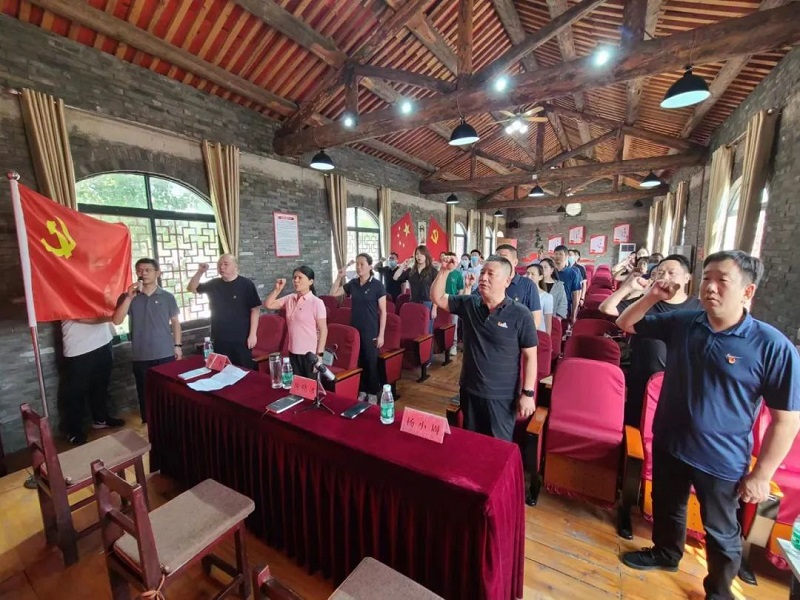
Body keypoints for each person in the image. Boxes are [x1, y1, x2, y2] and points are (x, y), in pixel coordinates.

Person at [617, 251, 800, 599]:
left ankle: (718, 590)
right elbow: (626, 323)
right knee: (667, 507)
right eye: (706, 278)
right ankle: (666, 554)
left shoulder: (772, 346)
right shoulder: (684, 322)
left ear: (747, 291)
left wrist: (762, 474)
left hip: (721, 458)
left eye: (722, 281)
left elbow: (787, 420)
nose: (710, 287)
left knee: (721, 531)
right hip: (670, 441)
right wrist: (652, 296)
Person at [431, 255, 538, 442]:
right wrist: (444, 271)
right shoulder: (470, 304)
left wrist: (528, 393)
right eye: (482, 273)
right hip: (470, 389)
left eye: (490, 274)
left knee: (498, 446)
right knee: (471, 442)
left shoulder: (521, 314)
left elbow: (531, 357)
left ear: (507, 281)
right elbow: (437, 297)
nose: (483, 278)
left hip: (501, 395)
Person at [599, 254, 700, 425]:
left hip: (679, 386)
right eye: (660, 272)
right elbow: (607, 308)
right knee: (634, 427)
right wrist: (628, 286)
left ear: (687, 278)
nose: (664, 277)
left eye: (671, 273)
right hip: (641, 379)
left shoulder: (699, 309)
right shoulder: (645, 303)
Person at [112, 258, 181, 423]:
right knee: (145, 392)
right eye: (139, 270)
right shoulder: (128, 296)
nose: (143, 273)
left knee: (169, 391)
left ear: (158, 273)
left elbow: (176, 323)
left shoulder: (167, 297)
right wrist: (129, 298)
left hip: (165, 353)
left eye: (147, 270)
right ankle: (149, 423)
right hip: (141, 355)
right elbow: (116, 320)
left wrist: (177, 345)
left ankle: (172, 421)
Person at [330, 253, 387, 404]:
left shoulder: (377, 285)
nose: (358, 267)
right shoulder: (353, 283)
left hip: (370, 329)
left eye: (362, 264)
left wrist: (381, 335)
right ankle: (362, 389)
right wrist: (339, 277)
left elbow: (383, 312)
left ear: (370, 266)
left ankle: (373, 391)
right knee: (358, 360)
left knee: (370, 361)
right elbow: (333, 293)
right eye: (357, 264)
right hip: (355, 329)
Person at [187, 254, 261, 369]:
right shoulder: (213, 284)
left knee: (243, 370)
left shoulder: (246, 284)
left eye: (226, 264)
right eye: (219, 265)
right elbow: (191, 288)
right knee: (221, 370)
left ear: (235, 266)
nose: (222, 267)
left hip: (241, 338)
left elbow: (255, 310)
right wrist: (200, 272)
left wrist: (253, 335)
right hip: (219, 338)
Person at [59, 319, 125, 445]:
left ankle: (101, 419)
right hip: (78, 347)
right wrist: (111, 316)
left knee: (101, 386)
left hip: (103, 340)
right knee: (76, 392)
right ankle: (73, 430)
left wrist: (112, 316)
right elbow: (81, 316)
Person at [263, 266, 328, 379]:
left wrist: (320, 355)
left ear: (310, 281)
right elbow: (268, 304)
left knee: (310, 386)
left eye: (300, 278)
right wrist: (277, 290)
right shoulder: (290, 298)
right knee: (296, 385)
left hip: (310, 354)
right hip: (293, 351)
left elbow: (323, 330)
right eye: (294, 278)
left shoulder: (317, 302)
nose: (296, 280)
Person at [494, 244, 542, 329]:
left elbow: (536, 320)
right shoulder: (490, 281)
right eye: (496, 257)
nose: (499, 261)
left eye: (503, 257)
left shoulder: (528, 285)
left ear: (515, 262)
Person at [394, 245, 438, 331]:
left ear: (426, 255)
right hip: (413, 302)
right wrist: (403, 265)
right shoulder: (411, 271)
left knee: (427, 330)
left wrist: (435, 307)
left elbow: (436, 290)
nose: (419, 256)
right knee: (415, 329)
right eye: (417, 254)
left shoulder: (433, 271)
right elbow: (395, 278)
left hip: (427, 303)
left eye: (421, 254)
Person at [552, 246, 582, 323]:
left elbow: (576, 296)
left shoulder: (572, 273)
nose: (557, 256)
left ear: (566, 256)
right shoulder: (549, 272)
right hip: (549, 307)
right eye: (556, 254)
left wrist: (573, 315)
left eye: (560, 254)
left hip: (565, 308)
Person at [443, 251, 465, 356]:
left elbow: (461, 289)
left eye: (453, 259)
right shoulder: (441, 272)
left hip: (452, 301)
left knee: (453, 324)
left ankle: (453, 345)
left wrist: (458, 301)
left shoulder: (458, 274)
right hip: (440, 300)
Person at [525, 264, 554, 335]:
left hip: (538, 334)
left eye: (533, 274)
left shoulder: (547, 297)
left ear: (540, 277)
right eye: (527, 273)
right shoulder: (521, 293)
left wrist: (547, 338)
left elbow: (548, 322)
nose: (529, 276)